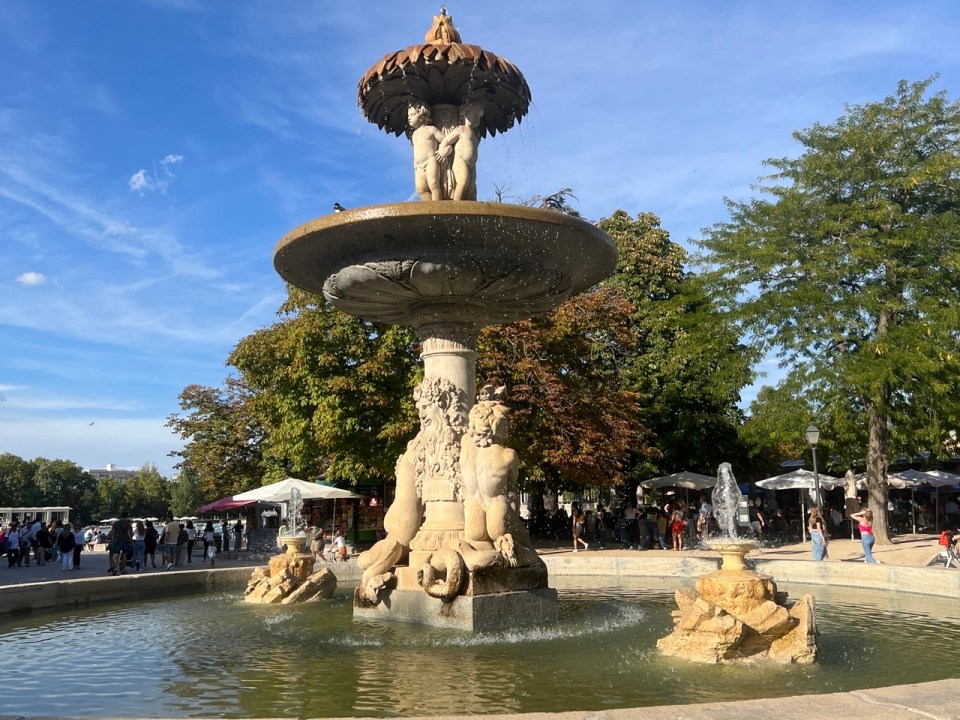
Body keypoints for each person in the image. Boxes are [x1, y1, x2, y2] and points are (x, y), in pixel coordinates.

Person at [436, 101, 484, 201]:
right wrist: (442, 151)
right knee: (462, 183)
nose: (477, 119)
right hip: (461, 161)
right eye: (475, 115)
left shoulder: (474, 134)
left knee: (471, 189)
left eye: (479, 117)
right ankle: (456, 208)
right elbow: (447, 139)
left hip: (472, 165)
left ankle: (470, 212)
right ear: (465, 114)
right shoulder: (461, 129)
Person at [408, 102, 445, 201]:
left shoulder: (431, 129)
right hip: (418, 165)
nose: (409, 118)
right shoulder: (414, 134)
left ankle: (438, 210)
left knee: (434, 184)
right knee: (420, 189)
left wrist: (444, 150)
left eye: (412, 115)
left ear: (421, 116)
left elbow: (445, 140)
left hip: (430, 161)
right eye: (408, 116)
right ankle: (430, 211)